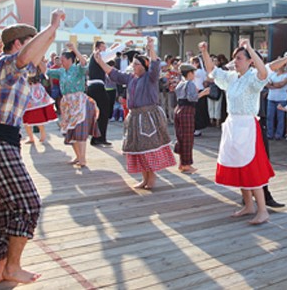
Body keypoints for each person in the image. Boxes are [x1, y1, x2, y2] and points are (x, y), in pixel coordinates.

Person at [0, 11, 64, 284]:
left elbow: (36, 54)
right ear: (18, 44)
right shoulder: (5, 64)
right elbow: (28, 55)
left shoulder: (14, 67)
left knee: (8, 209)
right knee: (28, 203)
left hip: (2, 141)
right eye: (31, 43)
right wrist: (51, 26)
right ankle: (13, 267)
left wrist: (53, 31)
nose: (38, 51)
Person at [201, 39, 287, 224]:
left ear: (249, 60)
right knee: (238, 165)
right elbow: (212, 71)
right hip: (232, 124)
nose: (235, 61)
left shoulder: (254, 77)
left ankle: (263, 210)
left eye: (239, 58)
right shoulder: (231, 77)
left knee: (251, 167)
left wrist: (250, 48)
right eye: (234, 58)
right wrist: (205, 51)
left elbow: (265, 70)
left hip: (247, 125)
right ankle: (248, 205)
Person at [93, 38, 176, 190]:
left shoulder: (149, 78)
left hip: (148, 117)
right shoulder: (131, 78)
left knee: (148, 148)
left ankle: (152, 178)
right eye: (133, 63)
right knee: (138, 149)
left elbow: (155, 66)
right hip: (135, 116)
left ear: (144, 67)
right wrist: (100, 63)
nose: (133, 65)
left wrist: (151, 48)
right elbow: (115, 74)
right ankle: (144, 178)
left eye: (137, 64)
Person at [46, 43, 100, 167]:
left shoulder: (77, 69)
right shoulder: (60, 71)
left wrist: (74, 49)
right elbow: (47, 71)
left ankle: (83, 159)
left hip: (79, 101)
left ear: (70, 60)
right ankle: (78, 156)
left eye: (63, 60)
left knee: (80, 130)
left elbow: (83, 63)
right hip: (67, 103)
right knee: (71, 131)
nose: (61, 62)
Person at [173, 63, 211, 174]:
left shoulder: (180, 83)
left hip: (178, 109)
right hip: (187, 111)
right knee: (188, 138)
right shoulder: (189, 83)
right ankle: (187, 164)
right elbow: (192, 98)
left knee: (181, 136)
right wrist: (202, 93)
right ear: (189, 73)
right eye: (193, 72)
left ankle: (182, 163)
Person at [87, 40, 125, 147]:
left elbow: (108, 53)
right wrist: (124, 45)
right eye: (103, 47)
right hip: (97, 86)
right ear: (98, 47)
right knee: (104, 112)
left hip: (93, 87)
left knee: (98, 113)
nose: (104, 49)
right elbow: (109, 54)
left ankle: (96, 138)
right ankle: (100, 138)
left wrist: (114, 46)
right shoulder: (98, 55)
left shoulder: (95, 56)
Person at [22, 61, 58, 144]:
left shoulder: (36, 63)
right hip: (28, 89)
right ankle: (32, 137)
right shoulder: (24, 62)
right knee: (26, 117)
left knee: (38, 115)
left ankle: (42, 135)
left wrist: (39, 60)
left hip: (35, 89)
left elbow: (45, 71)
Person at [265, 60, 287, 140]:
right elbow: (266, 83)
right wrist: (275, 85)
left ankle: (279, 135)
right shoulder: (272, 74)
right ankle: (270, 134)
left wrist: (272, 84)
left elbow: (281, 84)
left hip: (282, 99)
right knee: (269, 117)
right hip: (271, 98)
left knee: (280, 118)